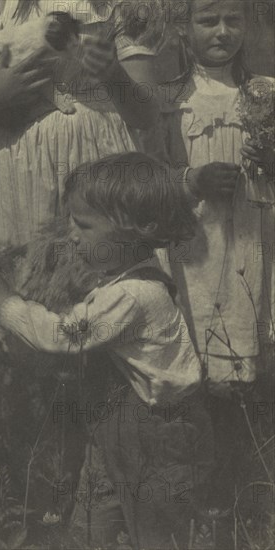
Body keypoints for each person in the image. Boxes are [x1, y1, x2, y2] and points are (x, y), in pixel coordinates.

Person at [0, 152, 214, 549]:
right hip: (117, 427)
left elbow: (63, 335)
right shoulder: (121, 281)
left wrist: (4, 300)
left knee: (157, 531)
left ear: (140, 229)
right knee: (93, 519)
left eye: (83, 224)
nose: (72, 235)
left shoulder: (135, 293)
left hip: (155, 436)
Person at [157, 0, 274, 514]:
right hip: (197, 250)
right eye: (208, 20)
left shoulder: (266, 93)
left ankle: (251, 492)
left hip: (255, 239)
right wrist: (193, 180)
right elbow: (149, 178)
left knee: (254, 366)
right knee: (200, 366)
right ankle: (203, 500)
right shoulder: (171, 102)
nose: (222, 31)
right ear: (184, 29)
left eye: (233, 20)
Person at [0, 0, 163, 252]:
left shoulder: (121, 6)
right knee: (30, 266)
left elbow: (146, 115)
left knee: (103, 264)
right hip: (20, 165)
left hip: (95, 159)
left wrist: (113, 76)